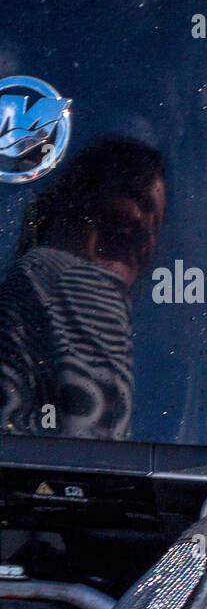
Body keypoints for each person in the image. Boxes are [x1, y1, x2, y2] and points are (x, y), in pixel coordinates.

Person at [0, 139, 165, 439]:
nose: (144, 229)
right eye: (136, 199)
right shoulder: (76, 281)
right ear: (80, 200)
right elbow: (96, 455)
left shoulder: (28, 277)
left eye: (157, 224)